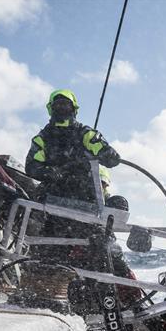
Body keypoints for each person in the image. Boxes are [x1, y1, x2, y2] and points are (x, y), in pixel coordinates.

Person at [25, 89, 139, 309]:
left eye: (65, 105)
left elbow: (108, 154)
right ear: (51, 109)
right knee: (49, 259)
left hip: (86, 213)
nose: (61, 109)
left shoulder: (85, 134)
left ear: (74, 109)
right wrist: (52, 173)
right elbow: (32, 166)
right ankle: (43, 302)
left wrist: (107, 154)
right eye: (57, 105)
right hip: (56, 212)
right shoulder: (42, 138)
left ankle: (98, 304)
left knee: (96, 258)